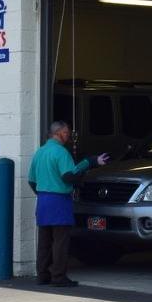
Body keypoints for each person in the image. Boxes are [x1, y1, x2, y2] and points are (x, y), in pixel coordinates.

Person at [28, 121, 108, 287]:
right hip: (59, 201)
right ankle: (58, 277)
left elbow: (31, 180)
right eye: (66, 133)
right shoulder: (61, 153)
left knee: (44, 242)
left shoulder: (39, 153)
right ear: (57, 133)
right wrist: (89, 162)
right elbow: (69, 176)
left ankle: (42, 275)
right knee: (60, 241)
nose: (69, 136)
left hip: (43, 201)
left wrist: (42, 193)